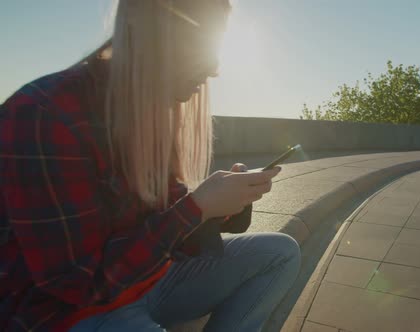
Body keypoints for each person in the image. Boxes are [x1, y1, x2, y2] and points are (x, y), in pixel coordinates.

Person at [0, 0, 301, 331]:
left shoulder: (152, 110)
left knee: (280, 253)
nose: (215, 67)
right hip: (72, 312)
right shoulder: (45, 114)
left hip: (149, 280)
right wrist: (196, 208)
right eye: (202, 44)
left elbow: (166, 220)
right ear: (153, 36)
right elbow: (77, 285)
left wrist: (225, 202)